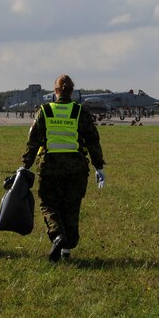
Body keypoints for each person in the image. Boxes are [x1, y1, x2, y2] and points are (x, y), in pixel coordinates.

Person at [19, 74, 105, 262]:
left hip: (50, 167)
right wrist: (99, 166)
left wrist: (25, 165)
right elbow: (92, 140)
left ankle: (57, 236)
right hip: (76, 168)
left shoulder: (45, 111)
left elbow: (32, 142)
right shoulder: (79, 111)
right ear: (72, 92)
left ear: (56, 91)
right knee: (71, 207)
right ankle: (67, 249)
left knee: (49, 204)